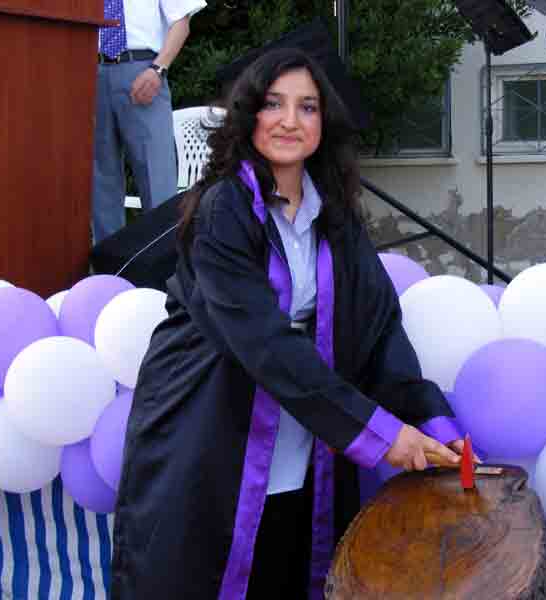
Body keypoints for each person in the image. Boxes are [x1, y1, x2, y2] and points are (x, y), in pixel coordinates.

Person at [110, 48, 465, 600]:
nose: (290, 121)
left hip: (310, 443)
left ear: (325, 123)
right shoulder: (222, 209)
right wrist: (383, 434)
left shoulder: (336, 217)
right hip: (210, 433)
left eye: (308, 107)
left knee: (292, 568)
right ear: (249, 113)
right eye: (274, 104)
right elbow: (262, 341)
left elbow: (378, 329)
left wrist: (433, 424)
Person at [92, 0, 206, 243]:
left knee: (157, 180)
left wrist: (158, 69)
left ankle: (163, 269)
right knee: (100, 182)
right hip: (90, 71)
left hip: (144, 72)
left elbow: (181, 22)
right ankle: (109, 271)